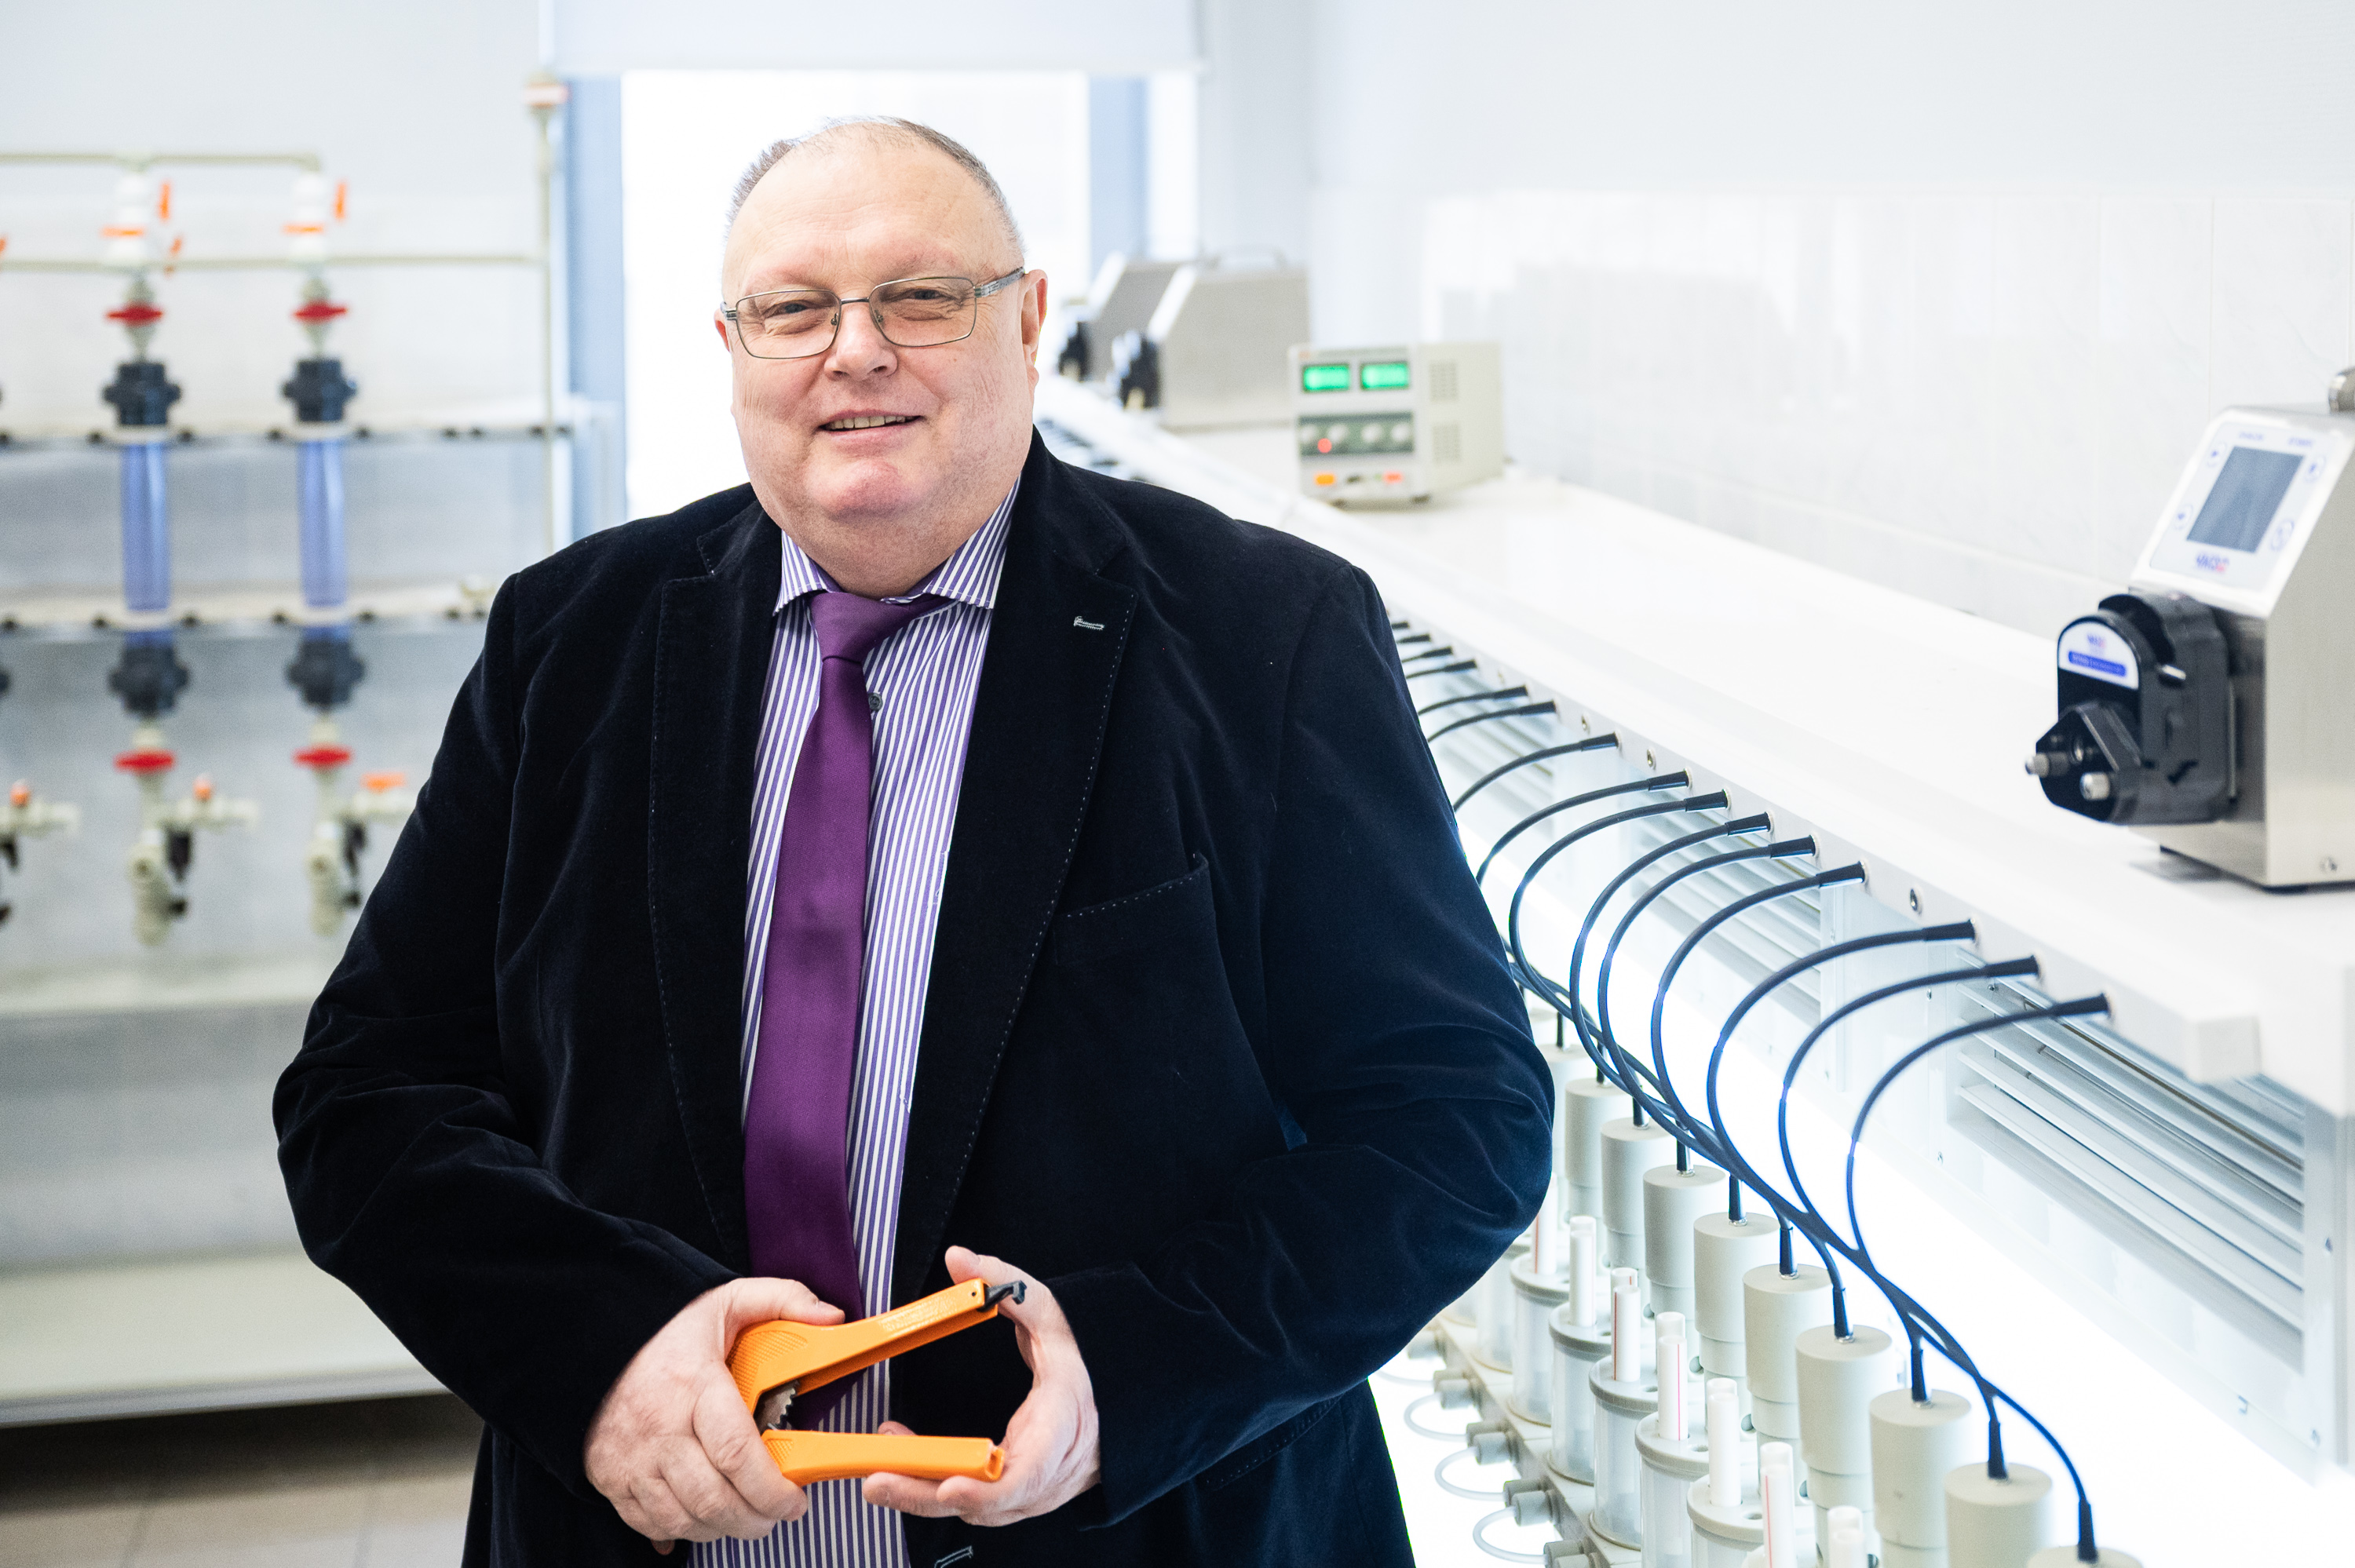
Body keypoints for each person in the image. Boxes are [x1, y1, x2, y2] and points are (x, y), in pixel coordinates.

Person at [276, 117, 1549, 1568]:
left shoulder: (1265, 634)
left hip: (1138, 1531)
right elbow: (366, 1091)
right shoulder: (570, 642)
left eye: (922, 297)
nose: (856, 351)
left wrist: (1138, 1365)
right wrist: (598, 1347)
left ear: (1029, 319)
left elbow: (1456, 1113)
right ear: (732, 346)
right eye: (794, 309)